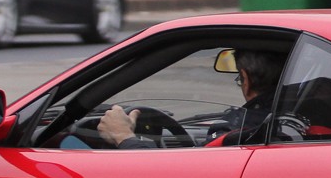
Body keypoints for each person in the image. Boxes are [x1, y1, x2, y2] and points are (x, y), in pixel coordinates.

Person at [97, 48, 287, 149]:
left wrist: (124, 136)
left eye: (239, 79)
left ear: (246, 79)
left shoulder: (238, 133)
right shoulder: (292, 121)